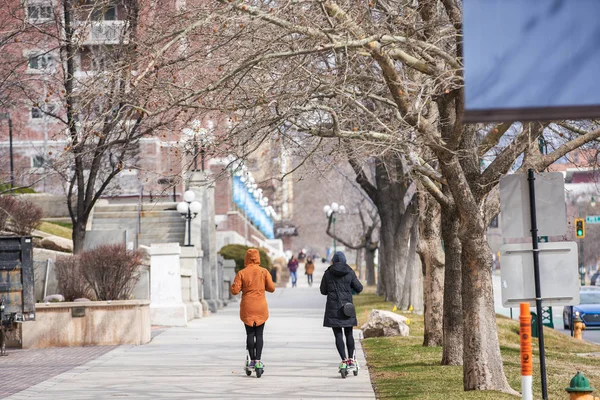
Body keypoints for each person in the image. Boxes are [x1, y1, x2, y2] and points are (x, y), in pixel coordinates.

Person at [230, 248, 276, 369]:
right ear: (258, 258)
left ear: (246, 258)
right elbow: (271, 288)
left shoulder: (242, 273)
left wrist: (236, 285)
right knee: (259, 334)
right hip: (260, 306)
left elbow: (234, 291)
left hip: (247, 306)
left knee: (250, 334)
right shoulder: (264, 272)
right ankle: (258, 360)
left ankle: (252, 361)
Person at [320, 251, 363, 371]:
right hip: (347, 309)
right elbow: (359, 288)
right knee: (349, 334)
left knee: (338, 335)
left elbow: (323, 291)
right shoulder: (350, 272)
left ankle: (343, 360)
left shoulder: (328, 273)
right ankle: (352, 360)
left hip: (333, 309)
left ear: (333, 261)